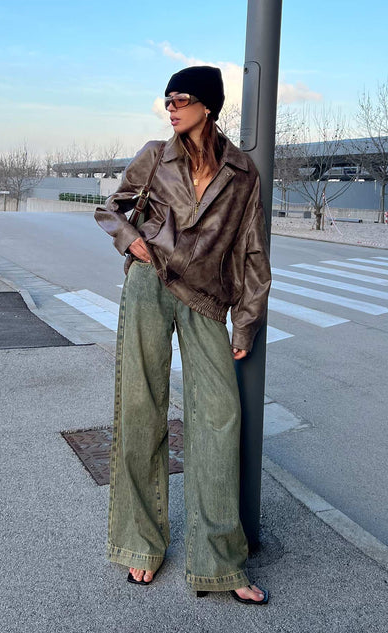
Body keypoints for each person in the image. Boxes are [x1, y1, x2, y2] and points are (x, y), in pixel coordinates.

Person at [95, 65, 272, 605]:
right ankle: (140, 544)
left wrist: (246, 321)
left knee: (219, 418)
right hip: (149, 284)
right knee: (141, 408)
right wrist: (131, 240)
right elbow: (111, 208)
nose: (170, 108)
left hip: (206, 299)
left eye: (181, 99)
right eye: (167, 99)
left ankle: (219, 563)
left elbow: (252, 251)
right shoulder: (155, 155)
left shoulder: (241, 172)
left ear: (208, 106)